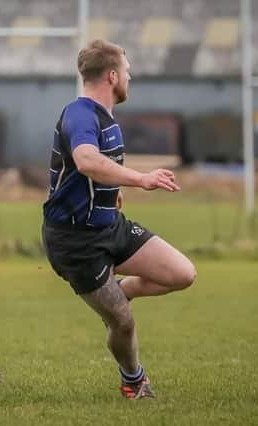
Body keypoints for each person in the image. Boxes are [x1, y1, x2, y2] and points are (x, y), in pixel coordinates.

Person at [41, 39, 197, 399]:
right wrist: (141, 179)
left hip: (111, 225)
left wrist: (114, 192)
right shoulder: (80, 113)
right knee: (122, 322)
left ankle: (117, 291)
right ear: (112, 76)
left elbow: (95, 171)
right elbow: (86, 161)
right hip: (75, 242)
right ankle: (134, 380)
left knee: (182, 273)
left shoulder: (104, 116)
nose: (131, 77)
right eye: (127, 71)